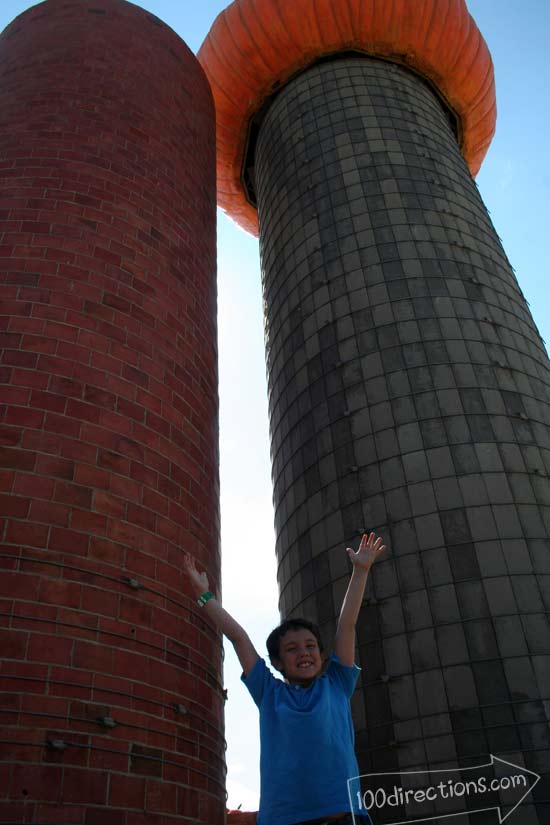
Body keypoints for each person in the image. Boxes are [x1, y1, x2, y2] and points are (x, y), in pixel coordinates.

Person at [183, 532, 386, 825]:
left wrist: (361, 571)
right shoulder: (269, 693)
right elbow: (239, 637)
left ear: (321, 654)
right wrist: (204, 595)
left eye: (310, 646)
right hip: (285, 820)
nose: (303, 653)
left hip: (342, 817)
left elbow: (347, 624)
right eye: (291, 649)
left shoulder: (337, 684)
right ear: (277, 663)